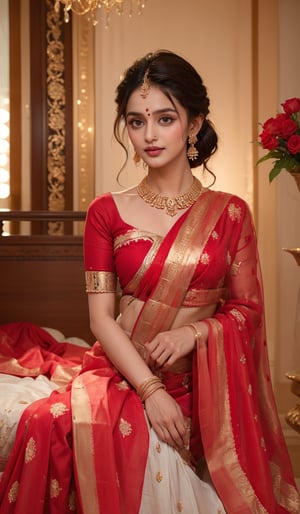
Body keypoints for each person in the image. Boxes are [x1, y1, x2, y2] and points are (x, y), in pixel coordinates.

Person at [0, 50, 299, 513]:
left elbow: (248, 310)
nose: (150, 135)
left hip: (201, 384)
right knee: (46, 422)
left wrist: (192, 332)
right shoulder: (107, 211)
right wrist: (151, 391)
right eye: (136, 122)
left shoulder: (231, 212)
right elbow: (101, 320)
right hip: (124, 373)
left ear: (194, 124)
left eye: (164, 118)